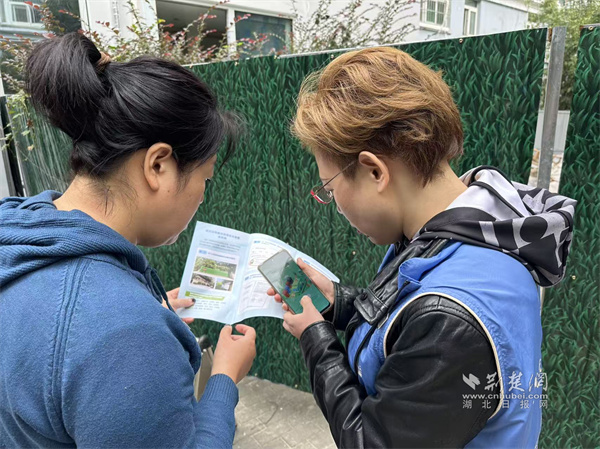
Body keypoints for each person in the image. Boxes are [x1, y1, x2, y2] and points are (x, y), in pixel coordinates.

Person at [268, 46, 576, 448]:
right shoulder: (470, 232)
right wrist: (337, 303)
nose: (335, 204)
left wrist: (316, 340)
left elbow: (372, 441)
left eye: (329, 187)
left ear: (374, 171)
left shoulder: (450, 319)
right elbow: (409, 324)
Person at [0, 33, 256, 448]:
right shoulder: (125, 334)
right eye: (205, 180)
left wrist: (140, 307)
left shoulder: (18, 236)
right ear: (158, 166)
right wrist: (225, 377)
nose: (202, 197)